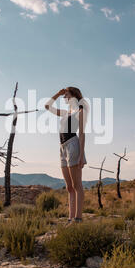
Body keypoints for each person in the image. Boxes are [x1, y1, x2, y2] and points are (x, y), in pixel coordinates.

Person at [45, 87, 88, 224]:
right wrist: (58, 93)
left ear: (74, 96)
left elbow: (82, 133)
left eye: (66, 95)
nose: (64, 98)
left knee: (77, 185)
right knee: (69, 187)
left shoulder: (80, 112)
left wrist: (81, 155)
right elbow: (47, 106)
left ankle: (78, 219)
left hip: (73, 145)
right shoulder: (65, 112)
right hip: (62, 147)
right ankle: (70, 219)